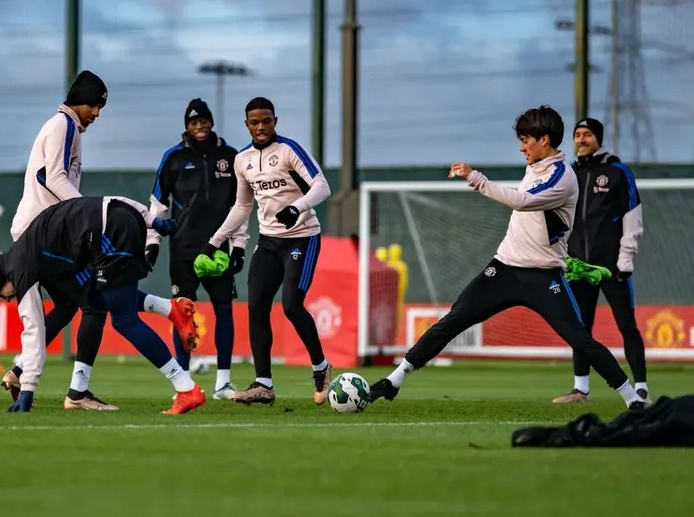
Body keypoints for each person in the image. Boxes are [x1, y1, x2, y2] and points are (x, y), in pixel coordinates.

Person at [366, 106, 648, 411]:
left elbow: (522, 201)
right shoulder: (537, 165)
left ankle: (633, 399)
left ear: (545, 140)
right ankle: (393, 381)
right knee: (453, 320)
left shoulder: (563, 177)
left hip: (543, 277)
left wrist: (475, 178)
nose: (521, 146)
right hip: (504, 269)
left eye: (526, 140)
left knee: (580, 339)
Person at [0, 195, 207, 415]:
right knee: (96, 299)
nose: (8, 299)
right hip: (121, 219)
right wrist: (151, 220)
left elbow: (33, 329)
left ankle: (186, 388)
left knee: (124, 320)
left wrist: (28, 388)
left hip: (113, 233)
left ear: (2, 280)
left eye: (2, 295)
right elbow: (105, 202)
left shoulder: (21, 271)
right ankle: (169, 309)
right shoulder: (32, 247)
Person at [196, 97, 333, 406]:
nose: (260, 127)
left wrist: (297, 208)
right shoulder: (241, 160)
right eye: (254, 122)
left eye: (266, 120)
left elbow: (322, 186)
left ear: (275, 121)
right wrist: (215, 241)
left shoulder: (289, 150)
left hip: (302, 237)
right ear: (247, 124)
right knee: (256, 306)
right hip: (269, 242)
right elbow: (242, 206)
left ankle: (321, 367)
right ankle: (264, 384)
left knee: (291, 305)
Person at [0, 70, 118, 410]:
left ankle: (21, 370)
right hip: (43, 235)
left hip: (39, 231)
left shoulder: (65, 128)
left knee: (68, 305)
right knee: (94, 302)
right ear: (79, 100)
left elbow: (46, 177)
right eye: (94, 105)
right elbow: (53, 178)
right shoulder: (63, 125)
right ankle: (77, 393)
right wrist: (87, 214)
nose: (97, 113)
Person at [145, 98, 249, 400]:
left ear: (211, 122)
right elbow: (157, 206)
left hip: (217, 250)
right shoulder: (173, 158)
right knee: (182, 315)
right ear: (186, 126)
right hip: (183, 250)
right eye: (193, 122)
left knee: (225, 312)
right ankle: (184, 383)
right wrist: (153, 244)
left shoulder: (231, 157)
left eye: (203, 121)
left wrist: (238, 246)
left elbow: (240, 206)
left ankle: (223, 383)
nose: (199, 126)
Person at [553, 118, 648, 404]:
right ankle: (580, 389)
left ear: (599, 138)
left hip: (611, 266)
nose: (581, 140)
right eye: (577, 135)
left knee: (626, 325)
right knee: (580, 327)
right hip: (578, 266)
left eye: (587, 135)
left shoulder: (618, 172)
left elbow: (633, 217)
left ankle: (641, 388)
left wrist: (625, 260)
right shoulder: (568, 173)